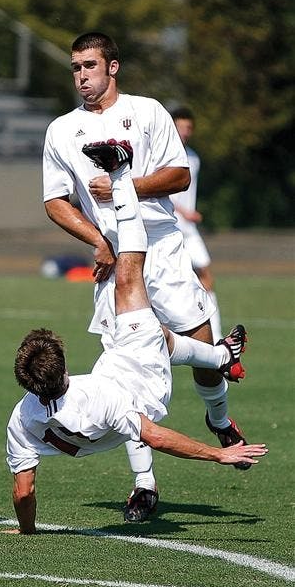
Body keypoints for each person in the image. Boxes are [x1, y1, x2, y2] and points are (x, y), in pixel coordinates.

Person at [42, 32, 251, 523]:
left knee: (203, 353)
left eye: (89, 65)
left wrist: (124, 184)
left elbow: (178, 177)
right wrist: (96, 240)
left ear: (113, 67)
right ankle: (144, 484)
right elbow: (55, 201)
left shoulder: (148, 112)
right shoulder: (61, 131)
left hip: (160, 247)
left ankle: (219, 420)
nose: (81, 75)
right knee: (123, 373)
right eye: (75, 67)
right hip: (116, 260)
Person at [6, 140, 266, 534]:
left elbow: (24, 493)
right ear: (61, 371)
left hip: (115, 366)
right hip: (142, 377)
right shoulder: (96, 400)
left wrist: (26, 529)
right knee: (130, 268)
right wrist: (218, 456)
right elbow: (157, 436)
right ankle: (120, 172)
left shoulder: (22, 418)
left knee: (153, 329)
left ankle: (219, 359)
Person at [170, 106, 222, 341]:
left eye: (189, 128)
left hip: (188, 229)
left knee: (204, 273)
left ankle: (215, 334)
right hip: (169, 226)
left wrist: (189, 214)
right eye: (181, 127)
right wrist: (183, 212)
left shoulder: (193, 157)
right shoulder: (162, 154)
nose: (185, 132)